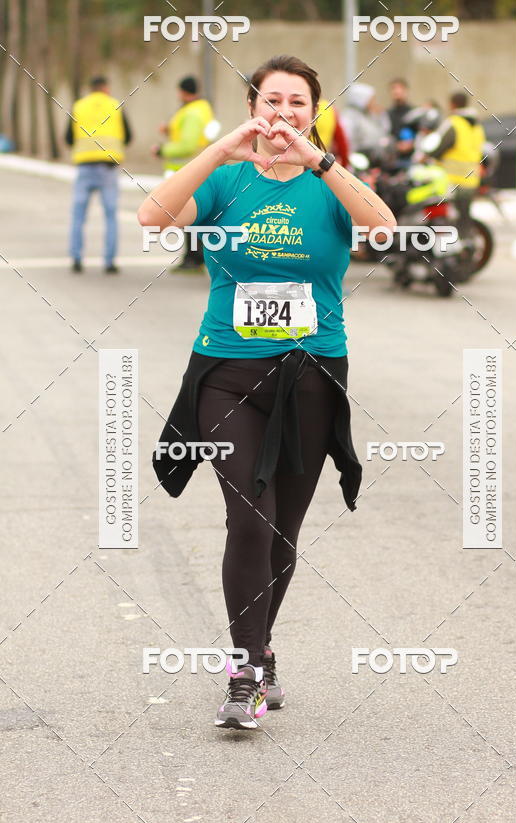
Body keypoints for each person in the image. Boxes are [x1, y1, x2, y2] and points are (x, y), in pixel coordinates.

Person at [138, 55, 395, 730]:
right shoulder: (225, 183)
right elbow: (152, 218)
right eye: (272, 101)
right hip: (227, 371)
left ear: (314, 114)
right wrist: (219, 148)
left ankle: (263, 649)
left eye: (298, 104)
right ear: (254, 107)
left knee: (284, 529)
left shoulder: (329, 185)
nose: (283, 114)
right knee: (248, 519)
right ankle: (246, 672)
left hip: (312, 374)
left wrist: (321, 161)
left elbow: (384, 230)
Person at [66, 75, 132, 273]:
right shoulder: (115, 105)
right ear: (105, 88)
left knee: (78, 215)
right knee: (111, 215)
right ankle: (109, 262)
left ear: (91, 88)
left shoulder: (78, 106)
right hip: (108, 168)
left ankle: (76, 259)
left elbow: (69, 138)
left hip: (84, 167)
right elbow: (128, 136)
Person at [152, 76, 218, 270]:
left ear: (182, 91)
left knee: (189, 215)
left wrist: (161, 150)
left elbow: (188, 145)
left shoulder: (192, 113)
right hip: (197, 169)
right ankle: (194, 257)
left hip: (187, 170)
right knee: (195, 215)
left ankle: (194, 258)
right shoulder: (202, 108)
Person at [419, 91, 485, 236]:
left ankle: (447, 246)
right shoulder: (477, 126)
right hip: (471, 178)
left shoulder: (453, 123)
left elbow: (438, 145)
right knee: (464, 216)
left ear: (452, 104)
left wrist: (425, 156)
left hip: (451, 178)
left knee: (446, 215)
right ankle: (466, 245)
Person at [340, 83, 390, 158]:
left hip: (372, 157)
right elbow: (347, 140)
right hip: (356, 158)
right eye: (371, 99)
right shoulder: (349, 117)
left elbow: (383, 131)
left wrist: (382, 116)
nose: (373, 102)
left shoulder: (369, 115)